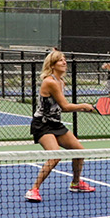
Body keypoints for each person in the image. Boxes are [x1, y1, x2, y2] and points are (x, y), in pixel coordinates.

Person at [24, 49, 96, 202]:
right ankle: (33, 190)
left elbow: (59, 108)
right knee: (55, 155)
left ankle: (76, 183)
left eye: (64, 59)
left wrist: (82, 107)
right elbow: (65, 106)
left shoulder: (61, 82)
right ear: (52, 65)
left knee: (79, 152)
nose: (64, 62)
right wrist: (84, 106)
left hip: (55, 123)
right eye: (60, 60)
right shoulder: (50, 82)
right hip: (42, 124)